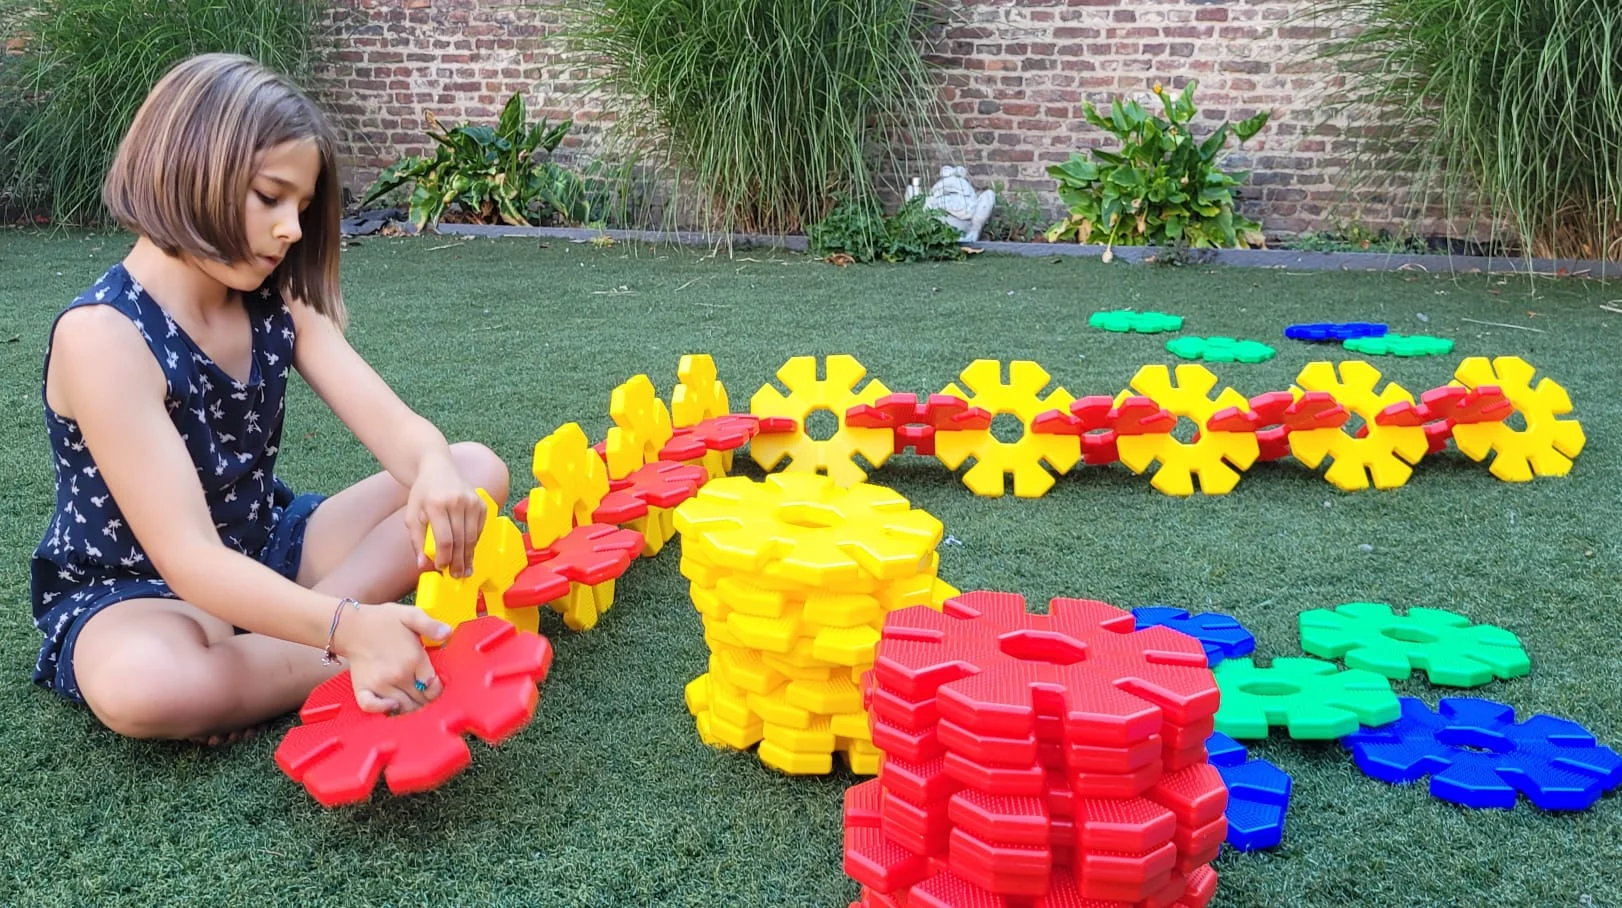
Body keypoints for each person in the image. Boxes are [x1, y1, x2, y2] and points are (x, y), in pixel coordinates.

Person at [28, 53, 509, 745]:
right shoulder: (104, 337)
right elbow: (188, 558)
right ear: (189, 170)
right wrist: (346, 624)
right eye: (270, 197)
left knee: (472, 472)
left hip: (265, 547)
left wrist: (431, 466)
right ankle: (332, 644)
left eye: (302, 208)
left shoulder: (275, 300)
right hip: (140, 592)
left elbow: (397, 428)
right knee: (148, 686)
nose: (292, 230)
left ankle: (277, 658)